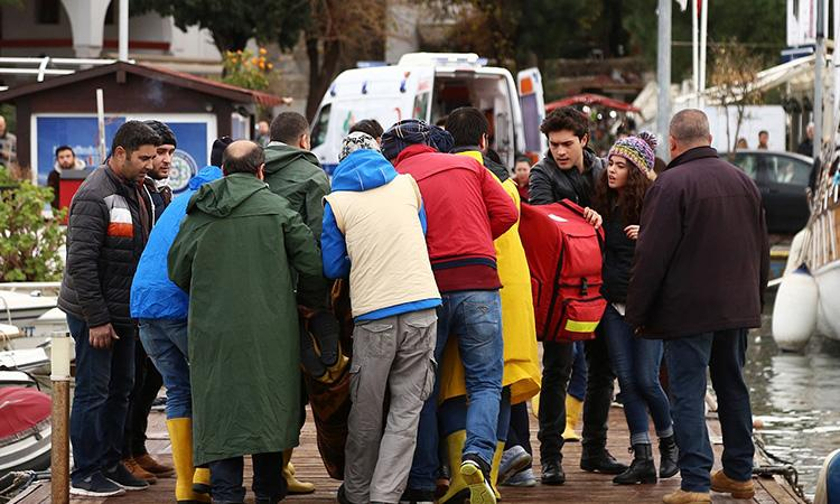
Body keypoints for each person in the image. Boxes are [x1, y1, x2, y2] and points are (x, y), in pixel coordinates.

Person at [626, 110, 769, 504]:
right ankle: (740, 473)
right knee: (733, 386)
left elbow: (651, 256)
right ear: (708, 137)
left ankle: (695, 483)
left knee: (688, 393)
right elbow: (761, 248)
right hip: (736, 306)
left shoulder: (670, 185)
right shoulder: (744, 181)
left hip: (687, 310)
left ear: (672, 142)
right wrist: (754, 299)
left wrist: (636, 314)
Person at [168, 140, 323, 504]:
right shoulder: (278, 210)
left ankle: (226, 495)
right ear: (260, 170)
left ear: (223, 171)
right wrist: (308, 307)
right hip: (272, 333)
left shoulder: (200, 212)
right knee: (269, 408)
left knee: (221, 411)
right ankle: (268, 493)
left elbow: (177, 270)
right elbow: (312, 266)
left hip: (213, 333)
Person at [382, 119, 518, 504]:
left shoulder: (397, 176)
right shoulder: (470, 166)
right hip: (479, 280)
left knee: (422, 385)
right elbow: (508, 213)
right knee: (486, 382)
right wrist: (474, 238)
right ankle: (476, 456)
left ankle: (424, 481)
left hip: (428, 285)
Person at [322, 132, 441, 504]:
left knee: (366, 411)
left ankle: (357, 494)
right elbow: (419, 233)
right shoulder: (407, 185)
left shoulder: (336, 202)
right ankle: (385, 497)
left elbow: (332, 266)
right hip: (422, 303)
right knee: (406, 411)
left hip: (374, 314)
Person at [442, 107, 541, 498]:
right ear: (485, 141)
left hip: (460, 283)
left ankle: (456, 481)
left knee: (453, 385)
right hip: (509, 289)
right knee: (495, 385)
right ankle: (489, 476)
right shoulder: (502, 177)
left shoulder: (446, 173)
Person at [58, 120, 160, 497]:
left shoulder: (138, 190)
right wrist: (97, 319)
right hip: (94, 313)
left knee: (123, 389)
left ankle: (111, 461)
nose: (150, 164)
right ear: (120, 154)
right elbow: (81, 264)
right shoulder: (93, 195)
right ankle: (85, 471)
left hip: (125, 310)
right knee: (93, 392)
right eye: (143, 158)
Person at [528, 106, 626, 485]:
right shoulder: (542, 173)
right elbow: (541, 220)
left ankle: (595, 449)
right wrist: (579, 215)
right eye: (554, 145)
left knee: (603, 370)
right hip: (563, 288)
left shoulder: (603, 170)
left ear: (584, 140)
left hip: (600, 283)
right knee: (557, 369)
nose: (560, 152)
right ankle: (550, 455)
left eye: (567, 144)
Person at [130, 162, 222, 503]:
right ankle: (206, 472)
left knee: (180, 390)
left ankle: (185, 486)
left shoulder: (177, 204)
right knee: (210, 384)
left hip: (143, 307)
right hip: (176, 307)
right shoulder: (210, 207)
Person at [592, 132, 678, 486]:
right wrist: (591, 221)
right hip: (612, 301)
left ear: (638, 171)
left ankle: (670, 443)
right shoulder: (604, 204)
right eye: (610, 163)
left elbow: (675, 249)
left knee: (646, 378)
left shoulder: (654, 207)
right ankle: (641, 455)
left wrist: (648, 236)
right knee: (626, 381)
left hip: (647, 304)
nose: (611, 170)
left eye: (621, 165)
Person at [264, 111, 331, 493]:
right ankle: (281, 470)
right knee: (296, 385)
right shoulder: (311, 175)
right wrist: (314, 300)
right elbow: (315, 243)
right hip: (294, 294)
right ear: (304, 140)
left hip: (254, 291)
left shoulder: (249, 168)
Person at [120, 120, 177, 484]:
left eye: (170, 153)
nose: (165, 159)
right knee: (133, 382)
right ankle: (123, 453)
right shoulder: (135, 191)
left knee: (150, 379)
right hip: (132, 302)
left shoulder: (162, 193)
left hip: (152, 303)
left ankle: (137, 447)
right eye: (159, 153)